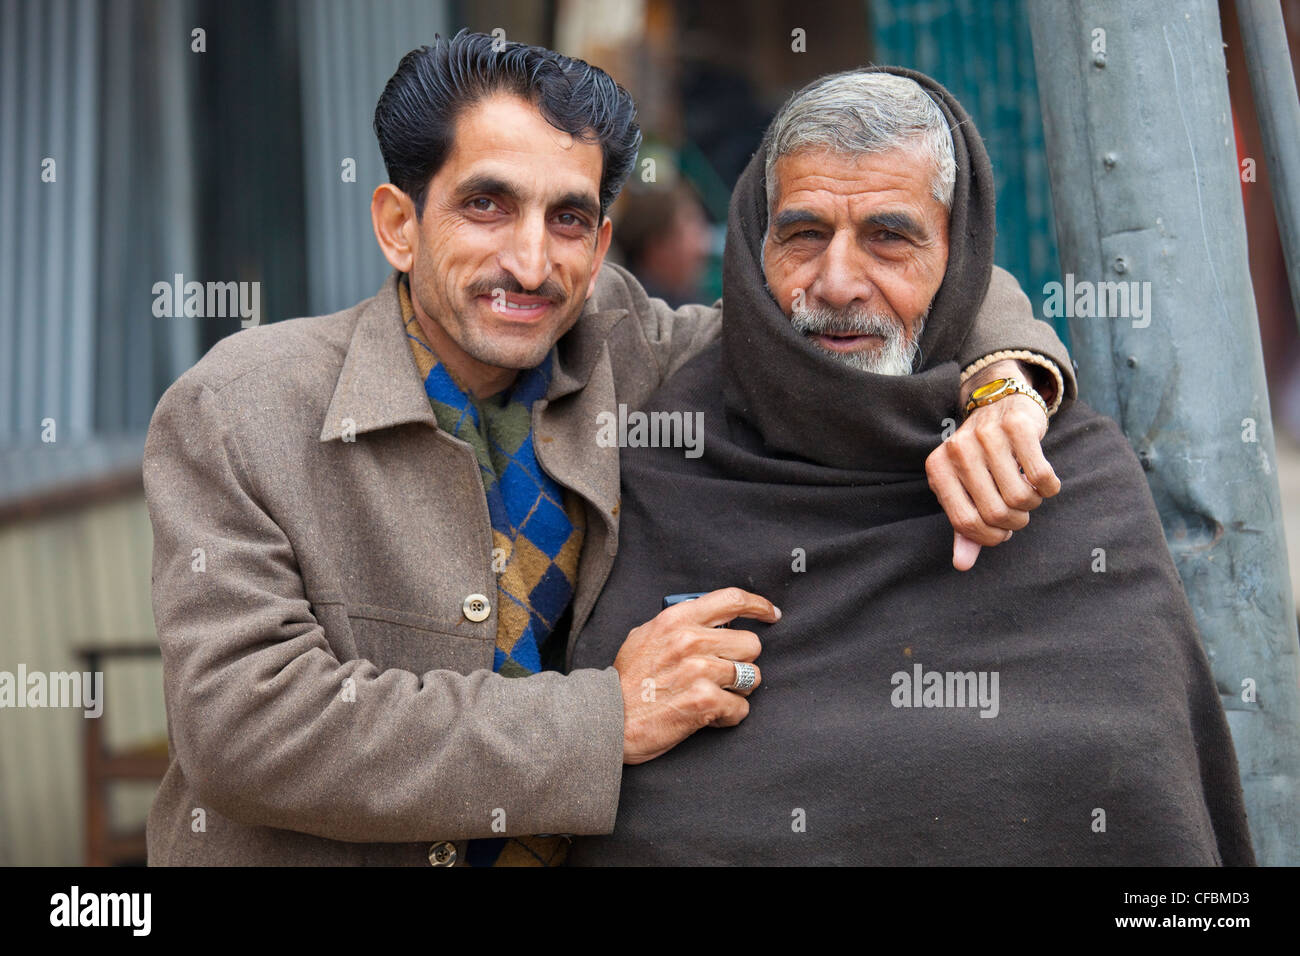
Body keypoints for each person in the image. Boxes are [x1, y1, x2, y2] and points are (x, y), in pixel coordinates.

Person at [142, 33, 1076, 866]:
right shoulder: (239, 409)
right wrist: (604, 720)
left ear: (601, 240)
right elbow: (248, 729)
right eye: (485, 206)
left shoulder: (633, 349)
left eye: (570, 219)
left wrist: (1006, 383)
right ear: (397, 222)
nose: (532, 263)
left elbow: (867, 297)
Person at [567, 67, 1255, 866]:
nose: (837, 282)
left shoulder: (1066, 471)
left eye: (890, 238)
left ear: (959, 257)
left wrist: (1008, 379)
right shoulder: (668, 445)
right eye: (803, 234)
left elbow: (1143, 791)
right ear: (756, 241)